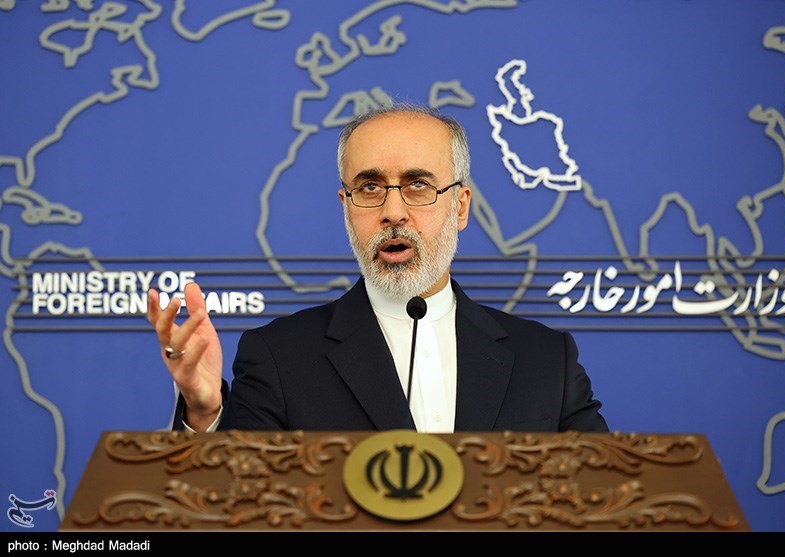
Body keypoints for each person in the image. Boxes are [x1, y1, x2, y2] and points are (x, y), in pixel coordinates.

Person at [147, 102, 608, 434]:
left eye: (418, 185)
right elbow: (233, 505)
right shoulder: (278, 356)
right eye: (369, 188)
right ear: (345, 207)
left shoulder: (548, 360)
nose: (393, 212)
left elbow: (604, 498)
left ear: (461, 206)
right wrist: (204, 414)